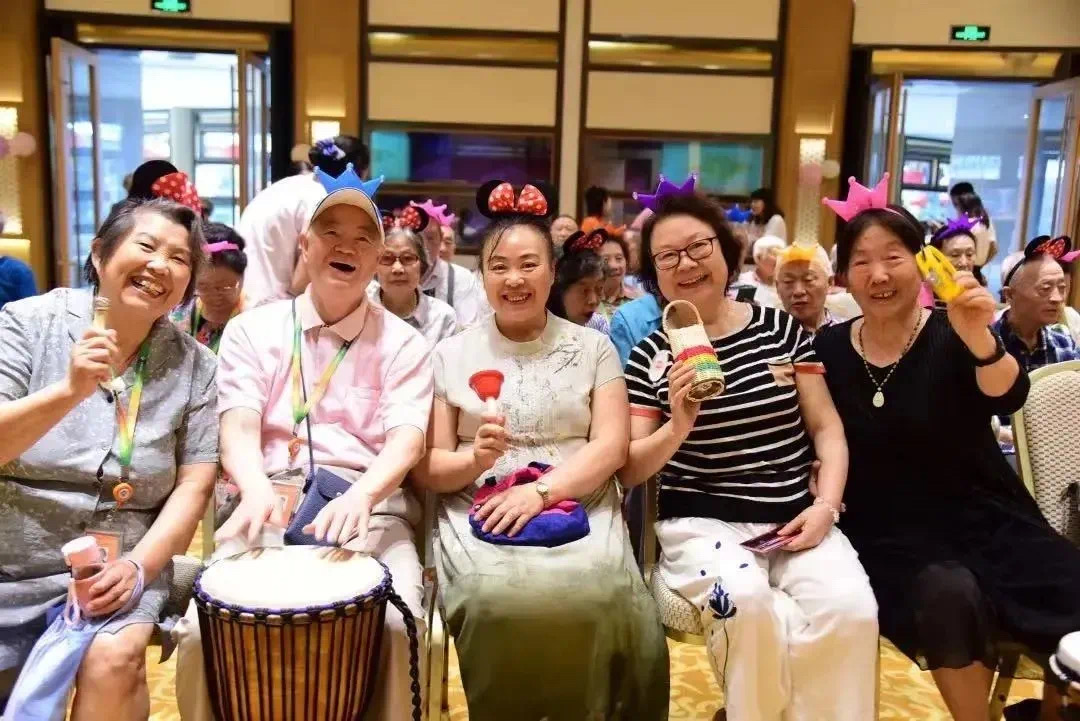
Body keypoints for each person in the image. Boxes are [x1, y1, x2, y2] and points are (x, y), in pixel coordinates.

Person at [173, 167, 432, 721]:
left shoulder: (405, 344)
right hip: (265, 502)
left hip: (370, 511)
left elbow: (407, 439)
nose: (346, 247)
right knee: (199, 632)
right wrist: (253, 486)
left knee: (397, 624)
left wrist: (363, 495)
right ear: (305, 245)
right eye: (330, 233)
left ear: (377, 258)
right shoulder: (253, 330)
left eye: (363, 238)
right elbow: (238, 423)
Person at [814, 184, 1080, 721]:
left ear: (922, 264)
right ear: (845, 277)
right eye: (861, 262)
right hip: (889, 533)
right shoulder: (830, 349)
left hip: (987, 517)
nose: (878, 274)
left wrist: (979, 336)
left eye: (893, 257)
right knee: (948, 596)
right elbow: (816, 432)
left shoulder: (953, 329)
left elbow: (1009, 394)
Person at [411, 181, 669, 720]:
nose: (514, 278)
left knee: (607, 597)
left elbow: (611, 445)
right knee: (493, 601)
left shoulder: (594, 348)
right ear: (481, 276)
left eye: (529, 264)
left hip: (582, 500)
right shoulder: (451, 354)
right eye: (499, 266)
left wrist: (542, 492)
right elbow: (431, 466)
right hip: (480, 507)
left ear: (552, 272)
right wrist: (475, 460)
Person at [619, 191, 878, 721]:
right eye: (668, 256)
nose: (686, 264)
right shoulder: (651, 354)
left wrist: (826, 506)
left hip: (793, 516)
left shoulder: (781, 329)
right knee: (746, 601)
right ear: (654, 275)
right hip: (701, 524)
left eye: (699, 247)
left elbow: (827, 428)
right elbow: (631, 467)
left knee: (851, 609)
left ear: (727, 250)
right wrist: (679, 421)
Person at [0, 199, 217, 719]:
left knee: (114, 660)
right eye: (146, 246)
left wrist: (140, 567)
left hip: (123, 561)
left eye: (179, 259)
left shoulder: (196, 364)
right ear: (100, 255)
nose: (160, 265)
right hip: (12, 560)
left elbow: (196, 483)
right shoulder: (28, 323)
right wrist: (69, 392)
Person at [238, 135, 370, 307]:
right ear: (358, 174)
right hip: (276, 308)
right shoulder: (323, 198)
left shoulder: (288, 186)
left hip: (245, 298)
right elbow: (302, 280)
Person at [993, 236, 1080, 373]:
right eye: (1045, 288)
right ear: (1009, 295)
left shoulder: (1064, 342)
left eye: (1062, 288)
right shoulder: (987, 344)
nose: (1057, 298)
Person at [371, 223, 458, 348]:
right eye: (387, 258)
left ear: (422, 265)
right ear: (374, 267)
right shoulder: (358, 312)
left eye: (407, 258)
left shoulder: (443, 317)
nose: (398, 269)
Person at [170, 222, 247, 353]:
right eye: (203, 286)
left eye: (225, 286)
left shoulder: (253, 317)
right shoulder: (180, 314)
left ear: (242, 277)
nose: (214, 295)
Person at [409, 199, 484, 328]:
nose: (424, 246)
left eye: (430, 238)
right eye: (418, 238)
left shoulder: (461, 278)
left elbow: (469, 329)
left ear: (440, 240)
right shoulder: (394, 274)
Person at [546, 228, 611, 334]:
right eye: (584, 291)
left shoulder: (599, 326)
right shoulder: (538, 327)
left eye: (599, 289)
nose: (593, 300)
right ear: (560, 290)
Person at [774, 240, 836, 335]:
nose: (798, 291)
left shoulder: (850, 334)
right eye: (788, 281)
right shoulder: (765, 338)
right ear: (777, 287)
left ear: (830, 282)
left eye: (808, 280)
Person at [597, 233, 643, 319]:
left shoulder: (639, 299)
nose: (613, 266)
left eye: (619, 258)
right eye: (605, 260)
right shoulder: (586, 302)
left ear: (626, 262)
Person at [950, 184, 997, 266]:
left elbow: (993, 247)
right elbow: (994, 248)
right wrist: (980, 265)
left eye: (956, 204)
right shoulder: (984, 221)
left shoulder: (969, 224)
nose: (955, 207)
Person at [737, 235, 785, 309]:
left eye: (781, 254)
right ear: (758, 257)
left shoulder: (785, 284)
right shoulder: (743, 281)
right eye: (774, 253)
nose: (779, 258)